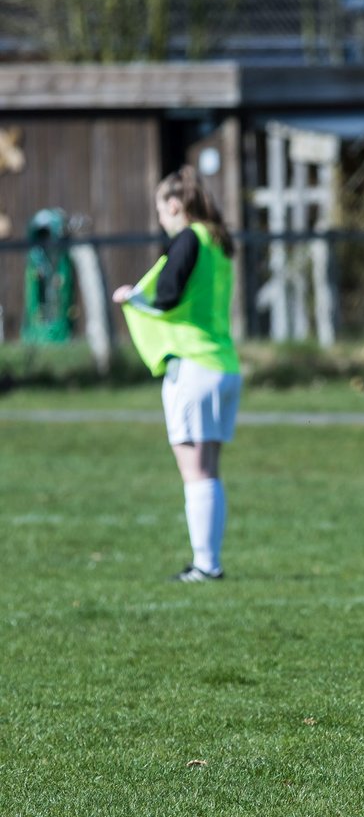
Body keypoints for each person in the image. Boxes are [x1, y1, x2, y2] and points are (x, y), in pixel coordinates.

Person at [113, 165, 241, 583]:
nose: (162, 223)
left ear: (174, 205)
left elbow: (167, 296)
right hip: (223, 365)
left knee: (195, 472)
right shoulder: (218, 240)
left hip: (193, 368)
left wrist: (133, 299)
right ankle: (210, 561)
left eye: (161, 213)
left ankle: (206, 565)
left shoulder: (189, 238)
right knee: (210, 470)